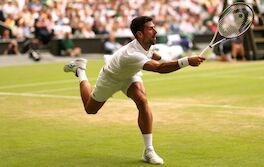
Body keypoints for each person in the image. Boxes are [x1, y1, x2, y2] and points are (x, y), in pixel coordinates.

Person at [63, 16, 205, 165]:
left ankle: (148, 150)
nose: (155, 31)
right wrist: (187, 61)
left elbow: (155, 57)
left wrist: (170, 59)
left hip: (130, 75)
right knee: (90, 109)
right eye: (151, 28)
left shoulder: (145, 45)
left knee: (142, 101)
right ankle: (80, 70)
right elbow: (158, 68)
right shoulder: (131, 54)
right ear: (140, 34)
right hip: (110, 78)